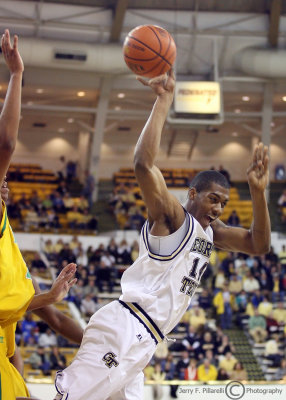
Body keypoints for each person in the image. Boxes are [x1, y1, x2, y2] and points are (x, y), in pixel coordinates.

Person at [54, 70, 270, 400]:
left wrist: (257, 192)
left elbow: (259, 245)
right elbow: (143, 164)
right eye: (213, 199)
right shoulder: (172, 217)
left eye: (224, 203)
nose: (218, 209)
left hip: (145, 340)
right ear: (193, 193)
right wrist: (163, 100)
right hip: (125, 327)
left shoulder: (214, 233)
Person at [0, 29, 78, 400]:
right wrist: (16, 75)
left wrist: (48, 297)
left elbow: (11, 343)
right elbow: (6, 142)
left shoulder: (10, 249)